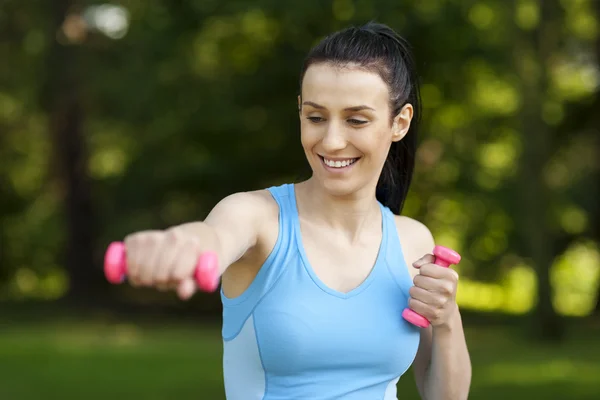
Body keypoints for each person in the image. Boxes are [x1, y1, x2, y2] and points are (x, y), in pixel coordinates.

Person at [121, 21, 471, 400]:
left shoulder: (412, 241)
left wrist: (447, 318)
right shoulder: (257, 218)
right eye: (316, 117)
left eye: (356, 120)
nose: (332, 141)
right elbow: (213, 237)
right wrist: (181, 245)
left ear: (399, 122)